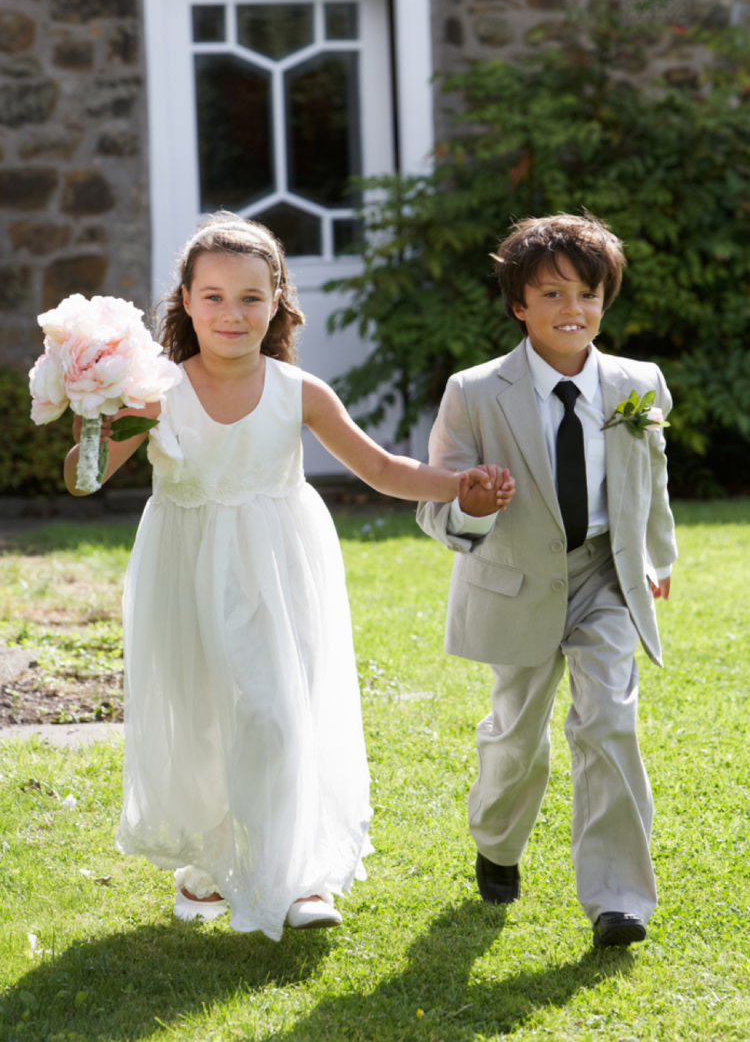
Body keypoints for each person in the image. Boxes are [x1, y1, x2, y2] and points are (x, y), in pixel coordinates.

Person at [64, 212, 514, 941]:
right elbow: (86, 482)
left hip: (277, 564)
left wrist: (458, 488)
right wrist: (92, 411)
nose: (232, 314)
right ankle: (208, 865)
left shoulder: (297, 389)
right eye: (213, 297)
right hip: (184, 564)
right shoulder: (157, 393)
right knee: (202, 712)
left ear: (278, 302)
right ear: (184, 300)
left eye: (251, 297)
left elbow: (382, 468)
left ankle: (299, 873)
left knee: (277, 713)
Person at [416, 212, 677, 949]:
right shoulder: (473, 393)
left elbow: (648, 481)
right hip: (517, 581)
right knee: (516, 738)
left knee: (609, 722)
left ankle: (618, 898)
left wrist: (655, 559)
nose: (574, 310)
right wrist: (469, 506)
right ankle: (496, 842)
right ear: (518, 304)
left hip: (603, 577)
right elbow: (437, 510)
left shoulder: (637, 384)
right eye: (553, 294)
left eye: (589, 295)